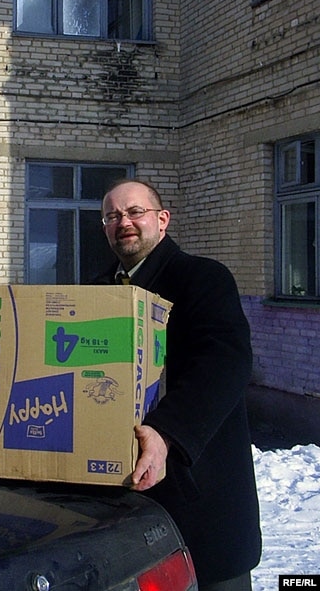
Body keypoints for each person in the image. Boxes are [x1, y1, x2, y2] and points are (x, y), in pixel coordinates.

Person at [92, 179, 261, 591]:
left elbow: (226, 361)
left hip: (199, 499)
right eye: (113, 216)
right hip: (120, 508)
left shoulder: (202, 278)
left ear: (162, 220)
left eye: (135, 212)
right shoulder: (97, 292)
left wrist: (166, 433)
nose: (124, 222)